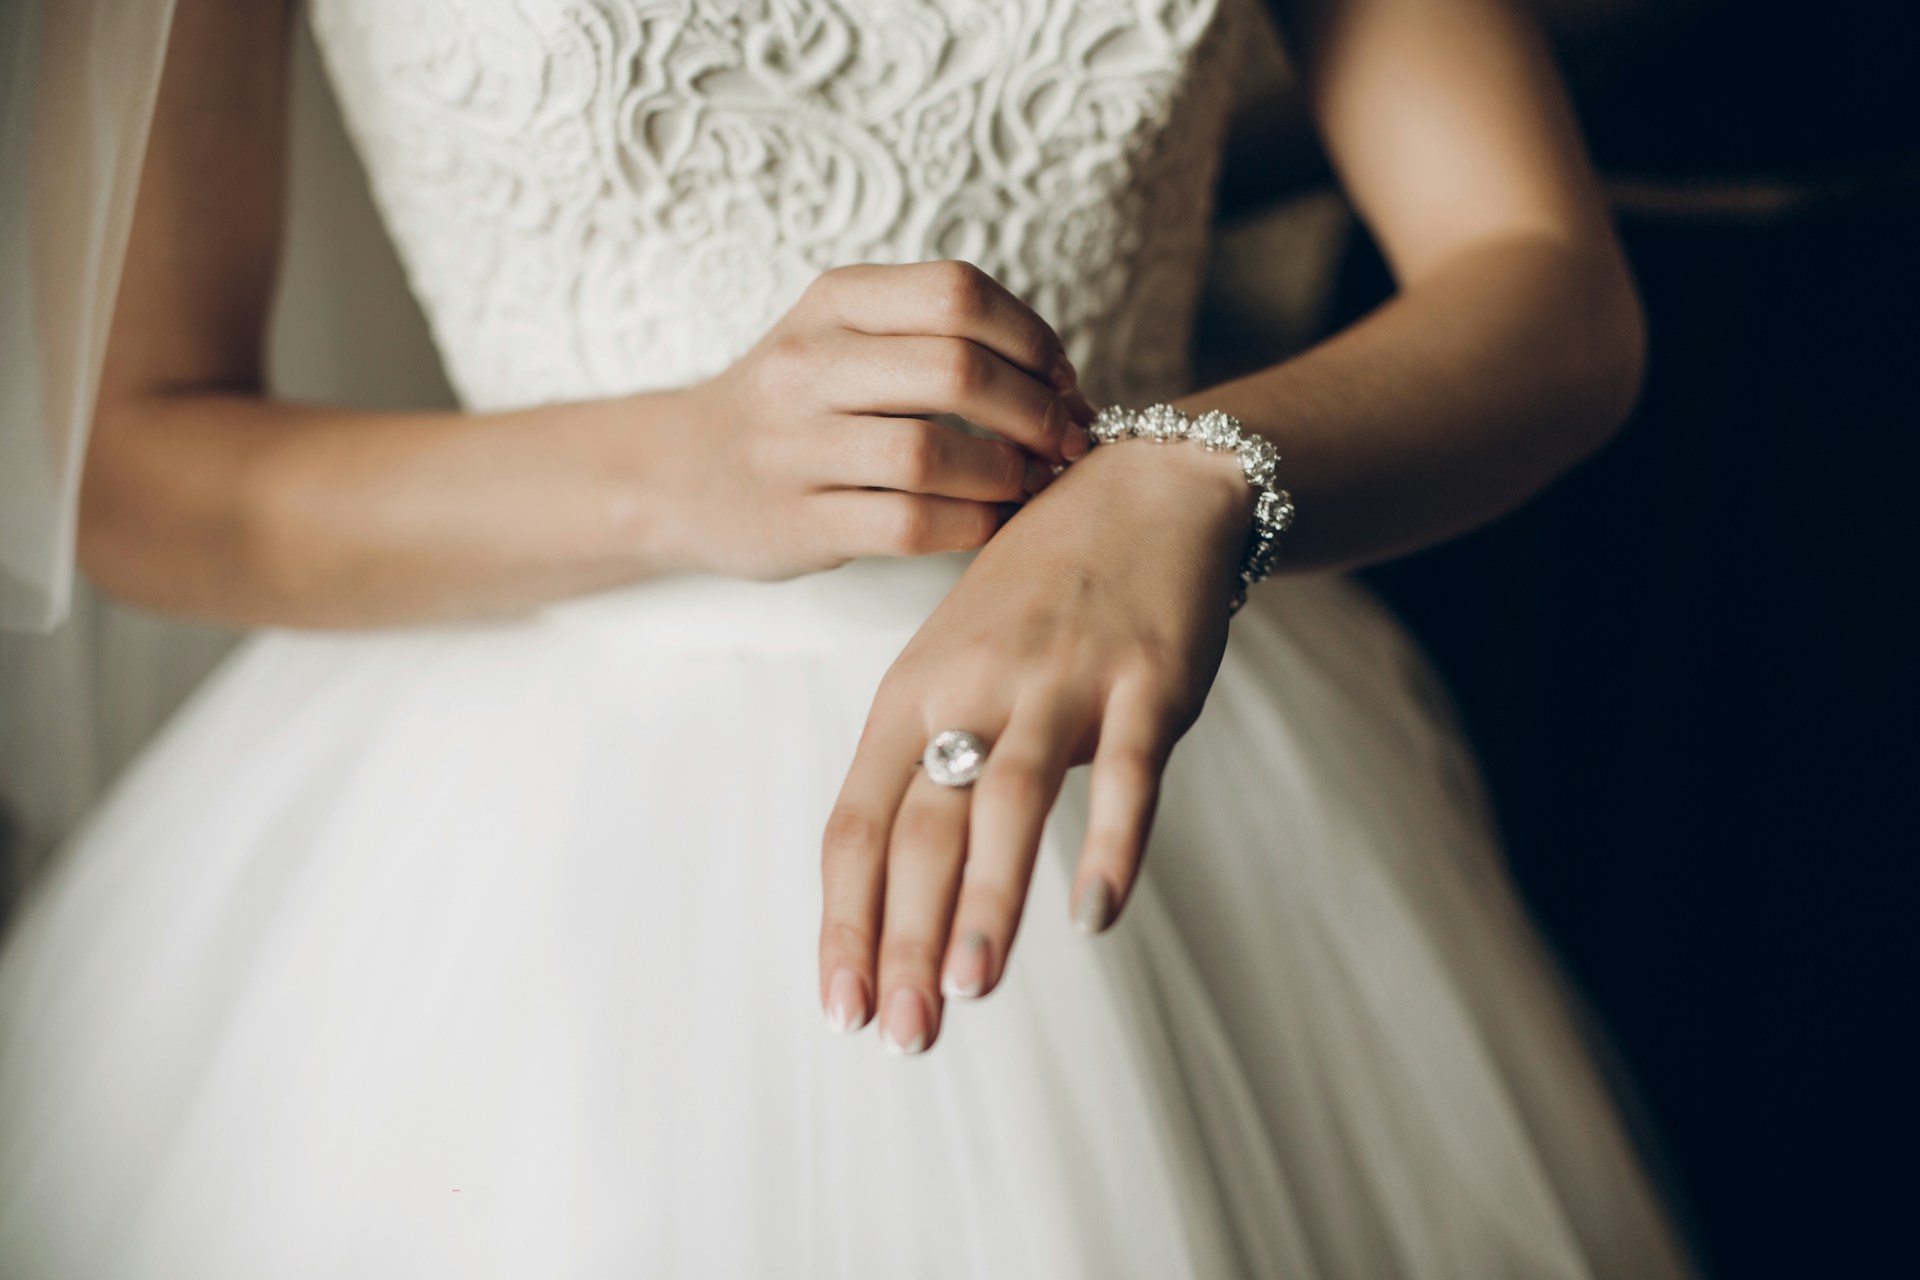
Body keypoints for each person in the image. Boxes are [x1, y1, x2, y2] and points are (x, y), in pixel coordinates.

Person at [0, 0, 1700, 1274]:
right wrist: (681, 470)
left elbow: (1546, 278)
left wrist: (1190, 481)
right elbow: (133, 450)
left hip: (1150, 761)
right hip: (508, 836)